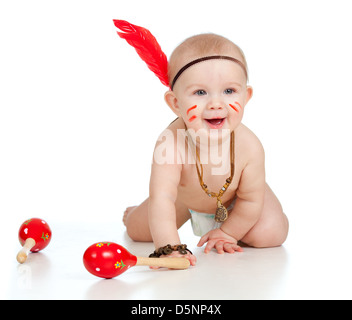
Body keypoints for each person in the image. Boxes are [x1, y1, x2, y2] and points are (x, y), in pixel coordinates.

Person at [114, 20, 289, 267]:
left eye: (229, 91)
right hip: (184, 199)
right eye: (200, 93)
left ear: (246, 96)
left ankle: (238, 227)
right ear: (175, 103)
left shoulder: (249, 146)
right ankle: (135, 213)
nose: (216, 103)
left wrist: (229, 232)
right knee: (139, 232)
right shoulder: (170, 143)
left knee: (271, 235)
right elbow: (163, 197)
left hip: (237, 198)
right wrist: (169, 248)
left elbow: (251, 200)